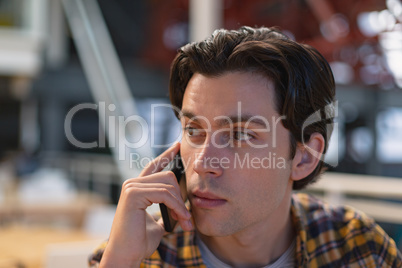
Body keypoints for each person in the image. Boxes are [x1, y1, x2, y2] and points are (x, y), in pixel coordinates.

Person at [89, 26, 402, 267]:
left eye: (239, 135)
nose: (201, 162)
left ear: (304, 157)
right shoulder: (137, 256)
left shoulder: (357, 248)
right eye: (194, 130)